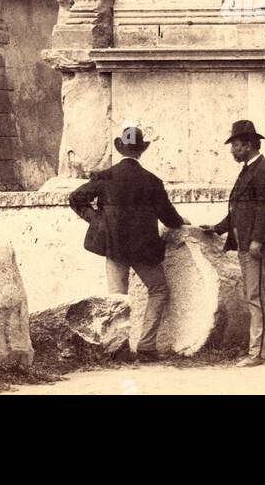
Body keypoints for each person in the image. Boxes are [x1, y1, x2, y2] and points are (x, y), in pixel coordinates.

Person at [68, 125, 186, 361]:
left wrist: (97, 221)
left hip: (114, 246)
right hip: (143, 249)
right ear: (141, 151)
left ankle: (117, 351)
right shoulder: (152, 181)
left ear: (121, 148)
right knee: (159, 290)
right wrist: (183, 221)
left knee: (117, 298)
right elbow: (170, 219)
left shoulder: (105, 176)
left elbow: (75, 198)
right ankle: (146, 346)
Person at [201, 118, 265, 367]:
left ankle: (257, 353)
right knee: (258, 295)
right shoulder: (251, 169)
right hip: (246, 243)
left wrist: (258, 240)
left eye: (236, 145)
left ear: (249, 145)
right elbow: (239, 210)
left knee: (255, 296)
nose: (232, 151)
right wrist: (217, 228)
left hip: (254, 245)